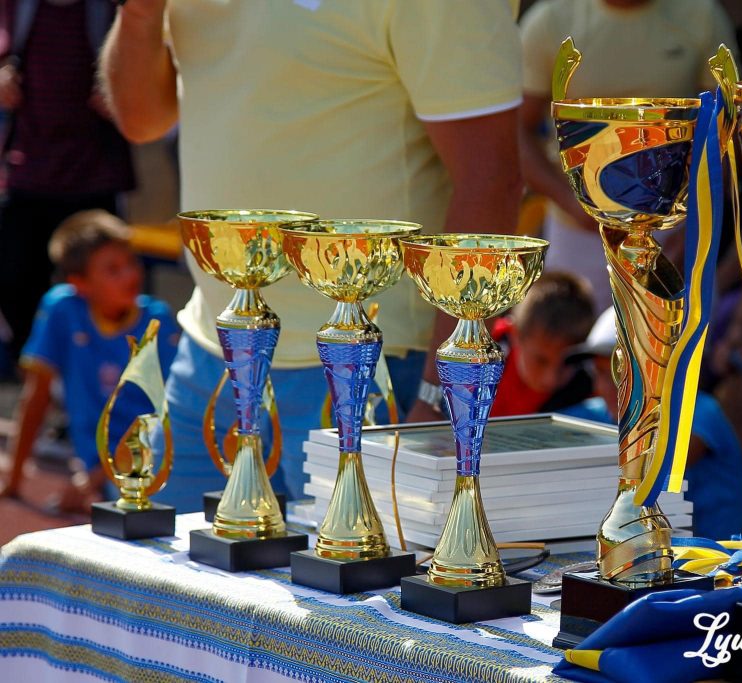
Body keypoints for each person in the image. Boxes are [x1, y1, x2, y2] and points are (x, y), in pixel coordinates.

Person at [99, 1, 523, 509]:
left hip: (372, 365)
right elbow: (142, 121)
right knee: (164, 563)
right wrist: (139, 15)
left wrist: (441, 395)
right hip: (210, 351)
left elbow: (490, 179)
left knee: (360, 565)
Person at [518, 0, 736, 312]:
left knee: (675, 341)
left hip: (673, 234)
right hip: (577, 235)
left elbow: (721, 133)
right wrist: (576, 206)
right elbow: (517, 130)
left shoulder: (703, 16)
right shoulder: (549, 20)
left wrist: (694, 229)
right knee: (565, 343)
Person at [0, 210, 179, 512]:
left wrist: (94, 478)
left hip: (152, 459)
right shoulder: (62, 310)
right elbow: (36, 396)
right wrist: (13, 481)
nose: (131, 275)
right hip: (99, 466)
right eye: (113, 269)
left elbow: (172, 414)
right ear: (80, 283)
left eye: (131, 262)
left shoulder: (157, 319)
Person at [0, 0, 135, 369]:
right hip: (27, 170)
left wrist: (123, 91)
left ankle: (92, 377)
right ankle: (38, 374)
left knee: (104, 291)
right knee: (15, 280)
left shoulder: (111, 9)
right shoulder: (17, 9)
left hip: (93, 174)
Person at [560, 307, 742, 540]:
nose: (603, 386)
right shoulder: (598, 413)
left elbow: (654, 468)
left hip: (717, 559)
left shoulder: (699, 411)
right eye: (598, 372)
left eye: (618, 372)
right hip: (646, 552)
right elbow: (538, 433)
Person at [490, 271, 594, 418]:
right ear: (515, 335)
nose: (550, 379)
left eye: (567, 362)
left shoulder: (585, 393)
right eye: (541, 360)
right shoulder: (481, 361)